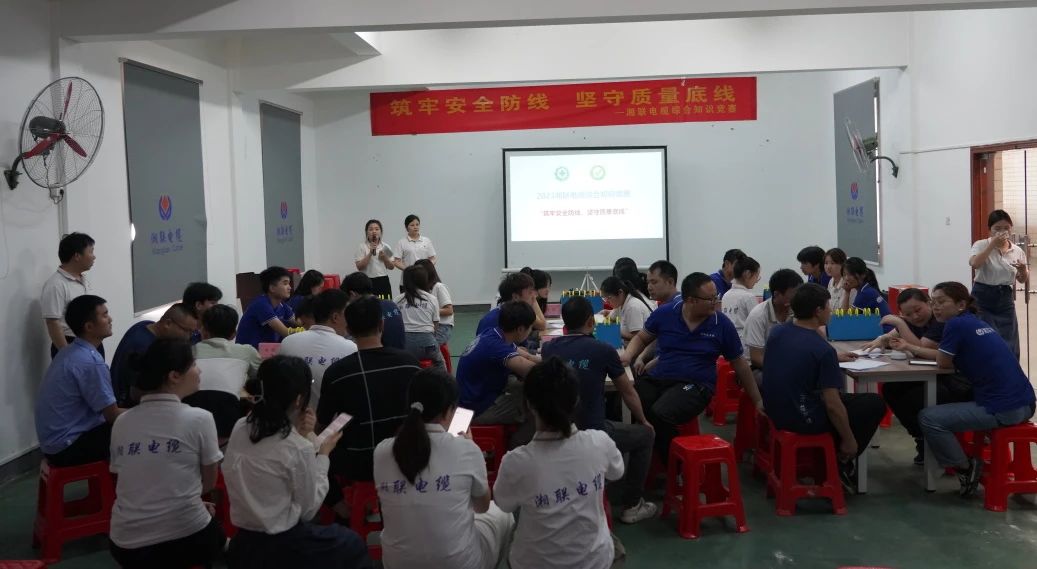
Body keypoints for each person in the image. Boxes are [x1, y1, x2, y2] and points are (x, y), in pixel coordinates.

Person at [223, 356, 372, 569]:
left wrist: (303, 435)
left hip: (244, 542)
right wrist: (323, 454)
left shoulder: (241, 426)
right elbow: (308, 509)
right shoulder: (296, 446)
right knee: (351, 543)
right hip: (283, 544)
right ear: (299, 399)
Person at [374, 369, 515, 569]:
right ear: (449, 411)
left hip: (397, 563)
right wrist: (470, 447)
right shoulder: (466, 449)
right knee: (502, 513)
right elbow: (481, 507)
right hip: (460, 564)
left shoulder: (382, 451)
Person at [493, 357, 625, 569]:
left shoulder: (516, 461)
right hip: (594, 561)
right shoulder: (599, 443)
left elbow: (503, 504)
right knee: (613, 546)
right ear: (576, 401)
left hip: (532, 563)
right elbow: (617, 472)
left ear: (529, 405)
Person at [621, 273, 764, 462]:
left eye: (716, 297)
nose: (716, 302)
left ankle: (675, 465)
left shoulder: (721, 324)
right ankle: (650, 456)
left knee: (661, 413)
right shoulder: (666, 313)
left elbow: (740, 364)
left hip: (696, 384)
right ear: (690, 300)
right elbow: (641, 337)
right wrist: (628, 356)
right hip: (661, 376)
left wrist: (757, 400)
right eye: (710, 299)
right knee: (628, 403)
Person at [108, 339, 224, 569]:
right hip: (184, 538)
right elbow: (209, 483)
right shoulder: (199, 419)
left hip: (125, 545)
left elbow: (123, 480)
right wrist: (189, 503)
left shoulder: (122, 421)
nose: (199, 371)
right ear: (174, 376)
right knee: (217, 538)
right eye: (194, 365)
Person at [761, 283, 887, 492]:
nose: (831, 311)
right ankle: (840, 461)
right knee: (873, 404)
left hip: (776, 410)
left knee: (856, 402)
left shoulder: (778, 332)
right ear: (818, 311)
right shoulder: (822, 351)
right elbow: (832, 405)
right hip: (803, 418)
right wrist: (849, 440)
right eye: (828, 306)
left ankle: (832, 461)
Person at [541, 297, 656, 524]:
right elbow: (627, 391)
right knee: (645, 436)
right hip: (594, 431)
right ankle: (632, 505)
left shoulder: (549, 349)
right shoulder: (603, 350)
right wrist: (643, 420)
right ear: (590, 322)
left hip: (558, 429)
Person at [915, 282, 1036, 497]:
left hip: (1004, 409)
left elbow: (943, 362)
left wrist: (908, 347)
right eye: (933, 303)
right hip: (1027, 403)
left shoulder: (955, 325)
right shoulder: (975, 321)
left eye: (941, 302)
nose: (936, 307)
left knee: (929, 418)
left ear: (961, 305)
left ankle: (965, 467)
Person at [861, 288, 973, 465]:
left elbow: (921, 347)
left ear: (928, 302)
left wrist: (900, 324)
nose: (914, 316)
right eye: (908, 314)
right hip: (937, 377)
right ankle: (921, 438)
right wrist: (881, 339)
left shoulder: (941, 321)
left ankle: (933, 443)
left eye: (918, 310)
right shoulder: (913, 321)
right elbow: (891, 336)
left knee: (916, 396)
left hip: (959, 383)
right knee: (891, 389)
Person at [318, 296, 421, 483]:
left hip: (359, 465)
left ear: (349, 330)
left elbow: (324, 423)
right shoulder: (410, 363)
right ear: (382, 325)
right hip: (406, 457)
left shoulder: (337, 372)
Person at [35, 295, 124, 467]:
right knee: (139, 427)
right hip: (68, 448)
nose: (110, 319)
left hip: (52, 445)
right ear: (89, 327)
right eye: (105, 315)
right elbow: (112, 415)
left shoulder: (69, 351)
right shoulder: (90, 362)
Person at [457, 301, 538, 428]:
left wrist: (551, 356)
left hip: (472, 397)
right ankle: (521, 439)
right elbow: (532, 370)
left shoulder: (494, 333)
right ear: (520, 329)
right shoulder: (496, 346)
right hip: (475, 410)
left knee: (521, 387)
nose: (531, 331)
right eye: (530, 327)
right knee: (535, 404)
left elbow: (528, 356)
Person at [188, 304, 262, 440]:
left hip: (189, 416)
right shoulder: (247, 352)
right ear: (234, 333)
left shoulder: (189, 351)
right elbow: (262, 378)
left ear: (203, 331)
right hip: (228, 419)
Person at [279, 289, 358, 409]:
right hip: (334, 419)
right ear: (335, 317)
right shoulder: (350, 348)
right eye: (347, 315)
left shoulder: (287, 343)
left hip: (295, 417)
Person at [111, 304, 198, 407]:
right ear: (168, 323)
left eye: (192, 332)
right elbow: (137, 393)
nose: (188, 337)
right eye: (187, 331)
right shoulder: (146, 348)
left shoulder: (144, 325)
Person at [969, 209, 1028, 358]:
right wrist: (992, 245)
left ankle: (1010, 370)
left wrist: (1023, 270)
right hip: (982, 296)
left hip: (1005, 298)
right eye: (997, 228)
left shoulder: (1017, 250)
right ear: (990, 230)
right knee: (986, 339)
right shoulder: (981, 244)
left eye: (1006, 228)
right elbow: (975, 264)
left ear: (1011, 228)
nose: (1002, 231)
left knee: (1010, 341)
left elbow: (1022, 279)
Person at [743, 269, 803, 385]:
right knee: (783, 382)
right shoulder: (758, 315)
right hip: (757, 368)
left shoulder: (795, 309)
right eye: (793, 293)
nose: (798, 297)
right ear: (776, 294)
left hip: (784, 363)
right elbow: (756, 358)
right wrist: (785, 369)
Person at [41, 232, 97, 357]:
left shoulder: (83, 280)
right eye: (91, 252)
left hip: (89, 341)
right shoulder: (56, 284)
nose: (94, 257)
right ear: (77, 256)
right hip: (70, 344)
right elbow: (53, 323)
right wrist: (67, 354)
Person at [341, 271, 406, 350]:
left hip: (380, 355)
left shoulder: (365, 312)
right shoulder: (391, 304)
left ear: (352, 294)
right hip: (400, 352)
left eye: (348, 300)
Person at [396, 265, 445, 370]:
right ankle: (444, 379)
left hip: (404, 345)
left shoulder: (397, 300)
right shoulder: (432, 299)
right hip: (427, 344)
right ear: (424, 280)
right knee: (440, 363)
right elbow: (435, 326)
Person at [236, 266, 297, 348]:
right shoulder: (261, 304)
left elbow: (297, 322)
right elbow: (285, 332)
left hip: (266, 351)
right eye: (285, 283)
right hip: (249, 353)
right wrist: (307, 332)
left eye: (289, 284)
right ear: (272, 288)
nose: (290, 287)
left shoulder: (282, 305)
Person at [477, 273, 546, 337]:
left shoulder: (517, 313)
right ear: (515, 297)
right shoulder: (493, 320)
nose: (534, 296)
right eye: (530, 293)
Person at [599, 276, 655, 343]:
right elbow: (610, 318)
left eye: (608, 297)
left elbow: (637, 337)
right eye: (604, 298)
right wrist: (606, 314)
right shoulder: (620, 302)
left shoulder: (632, 306)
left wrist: (615, 330)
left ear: (620, 292)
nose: (607, 302)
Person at [720, 256, 761, 342]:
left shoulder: (726, 295)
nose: (757, 281)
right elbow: (758, 323)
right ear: (748, 274)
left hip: (727, 340)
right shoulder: (748, 297)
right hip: (744, 342)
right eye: (756, 276)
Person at [415, 259, 455, 346]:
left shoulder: (439, 287)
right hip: (429, 326)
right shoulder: (421, 290)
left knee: (424, 346)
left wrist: (429, 310)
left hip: (442, 326)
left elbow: (449, 310)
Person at [841, 257, 891, 323]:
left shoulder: (865, 293)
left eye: (850, 274)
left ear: (863, 275)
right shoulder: (866, 289)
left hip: (883, 328)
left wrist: (847, 292)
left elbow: (845, 319)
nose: (846, 278)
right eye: (844, 274)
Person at [355, 219, 395, 299]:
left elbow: (392, 267)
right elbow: (359, 267)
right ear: (367, 232)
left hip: (383, 280)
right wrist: (370, 253)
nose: (374, 231)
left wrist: (385, 258)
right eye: (371, 229)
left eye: (377, 229)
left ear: (381, 232)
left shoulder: (386, 246)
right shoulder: (362, 247)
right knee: (368, 304)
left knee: (384, 303)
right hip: (367, 281)